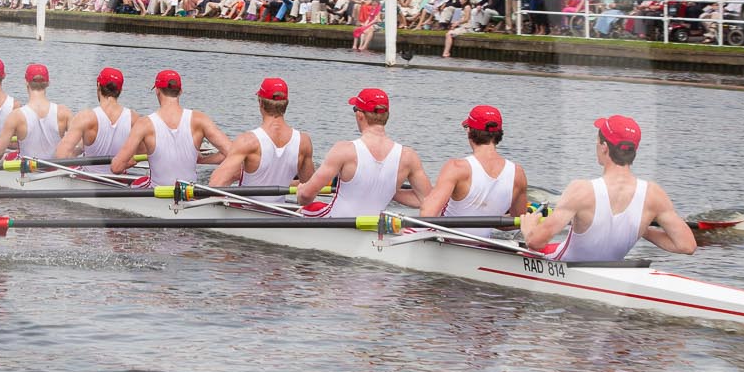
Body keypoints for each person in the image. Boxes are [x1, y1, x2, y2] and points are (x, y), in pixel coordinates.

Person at [526, 115, 696, 259]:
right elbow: (686, 245)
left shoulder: (582, 190)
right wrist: (641, 229)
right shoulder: (654, 194)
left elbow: (536, 242)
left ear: (604, 147)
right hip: (610, 270)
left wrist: (529, 227)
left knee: (528, 245)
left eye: (597, 141)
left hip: (563, 263)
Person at [295, 87, 432, 218]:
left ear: (360, 115)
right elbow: (427, 200)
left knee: (306, 207)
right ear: (387, 115)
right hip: (374, 226)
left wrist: (301, 191)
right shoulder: (408, 156)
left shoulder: (344, 150)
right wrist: (386, 190)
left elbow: (306, 196)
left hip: (336, 220)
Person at [418, 105, 528, 240]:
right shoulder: (517, 173)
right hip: (481, 245)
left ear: (469, 131)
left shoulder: (457, 167)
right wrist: (489, 217)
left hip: (444, 242)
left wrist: (426, 200)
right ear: (498, 134)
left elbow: (427, 215)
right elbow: (519, 222)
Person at [110, 69, 232, 187]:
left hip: (156, 192)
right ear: (180, 91)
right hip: (189, 193)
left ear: (157, 91)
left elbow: (116, 168)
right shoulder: (200, 119)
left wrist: (130, 162)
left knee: (138, 182)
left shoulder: (144, 124)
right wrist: (202, 160)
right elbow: (232, 152)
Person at [209, 76, 314, 188]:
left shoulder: (248, 141)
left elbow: (215, 184)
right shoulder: (304, 142)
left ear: (260, 103)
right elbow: (309, 189)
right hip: (277, 205)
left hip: (245, 205)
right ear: (286, 104)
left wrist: (238, 174)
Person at [0, 63, 70, 159]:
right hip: (56, 170)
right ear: (48, 83)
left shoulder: (16, 116)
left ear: (26, 82)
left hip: (28, 170)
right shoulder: (64, 112)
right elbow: (78, 145)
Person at [57, 67, 136, 160]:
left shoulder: (85, 117)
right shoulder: (134, 118)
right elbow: (141, 153)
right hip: (118, 174)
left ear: (98, 85)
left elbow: (61, 154)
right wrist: (82, 147)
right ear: (121, 90)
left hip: (89, 174)